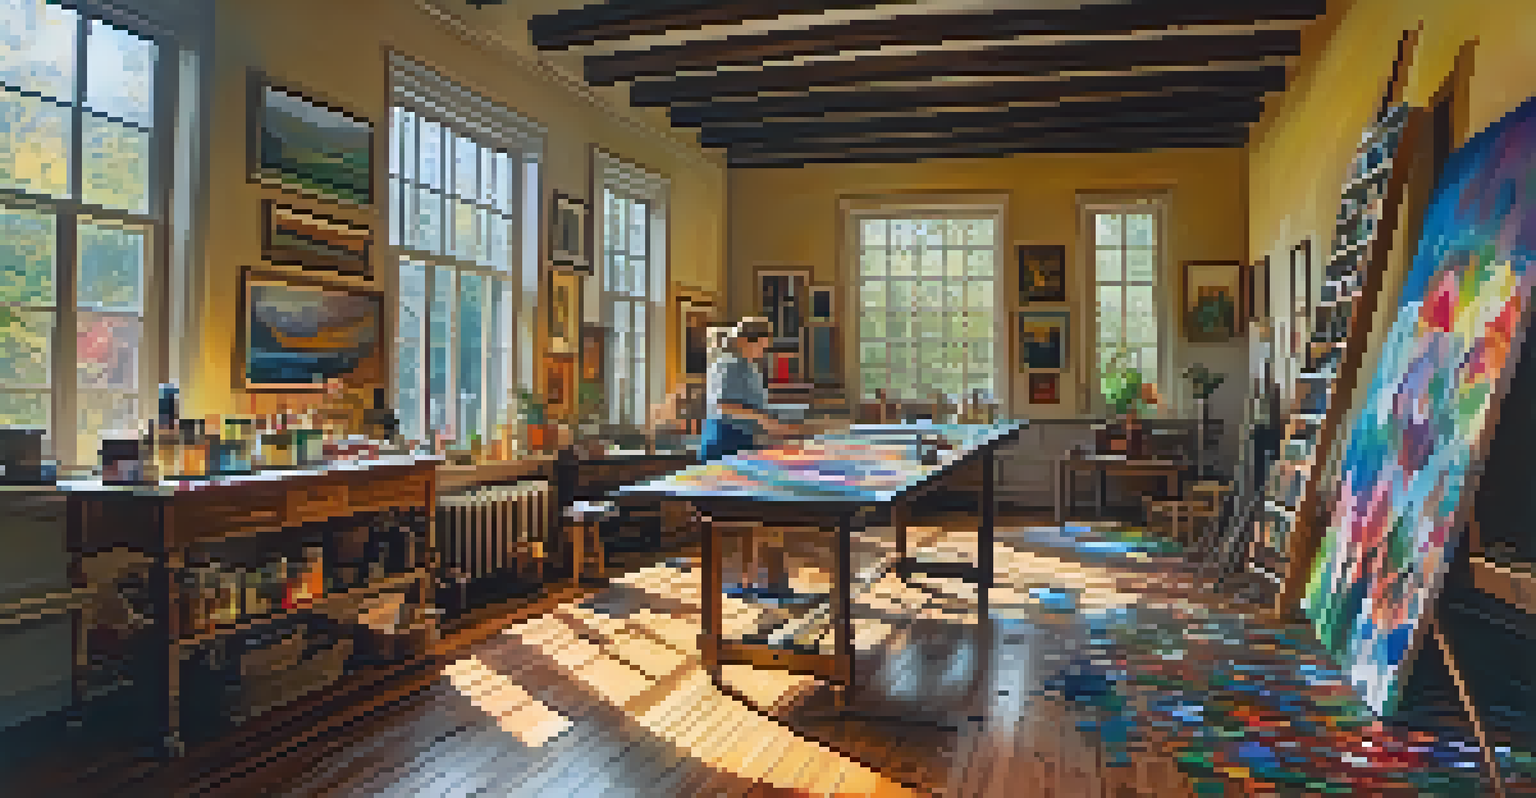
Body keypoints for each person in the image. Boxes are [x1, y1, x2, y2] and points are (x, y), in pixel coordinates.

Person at [700, 317, 801, 461]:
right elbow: (725, 406)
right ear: (743, 341)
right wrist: (765, 420)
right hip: (723, 441)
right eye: (760, 346)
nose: (762, 352)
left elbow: (754, 403)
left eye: (765, 347)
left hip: (741, 440)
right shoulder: (729, 363)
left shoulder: (749, 367)